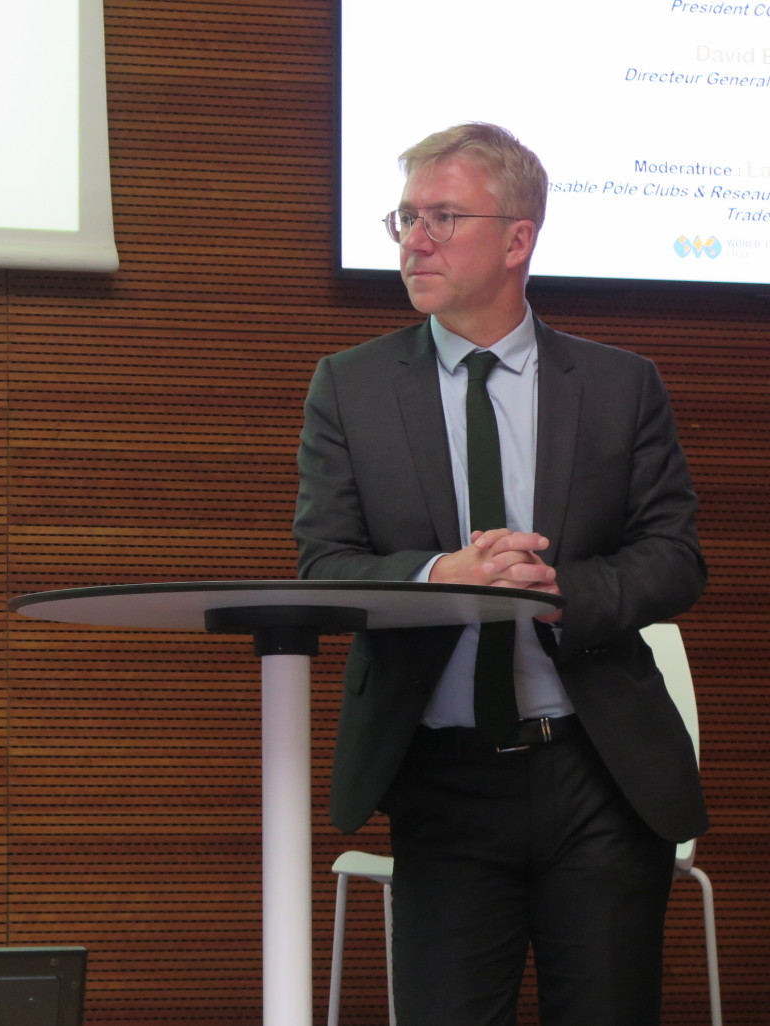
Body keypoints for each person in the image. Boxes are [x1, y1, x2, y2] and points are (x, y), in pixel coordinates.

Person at [294, 123, 706, 1025]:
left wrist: (562, 593)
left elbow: (675, 559)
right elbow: (324, 566)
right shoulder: (351, 388)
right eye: (404, 217)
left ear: (519, 237)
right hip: (442, 778)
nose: (413, 239)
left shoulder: (618, 385)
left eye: (442, 215)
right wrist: (448, 573)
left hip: (597, 770)